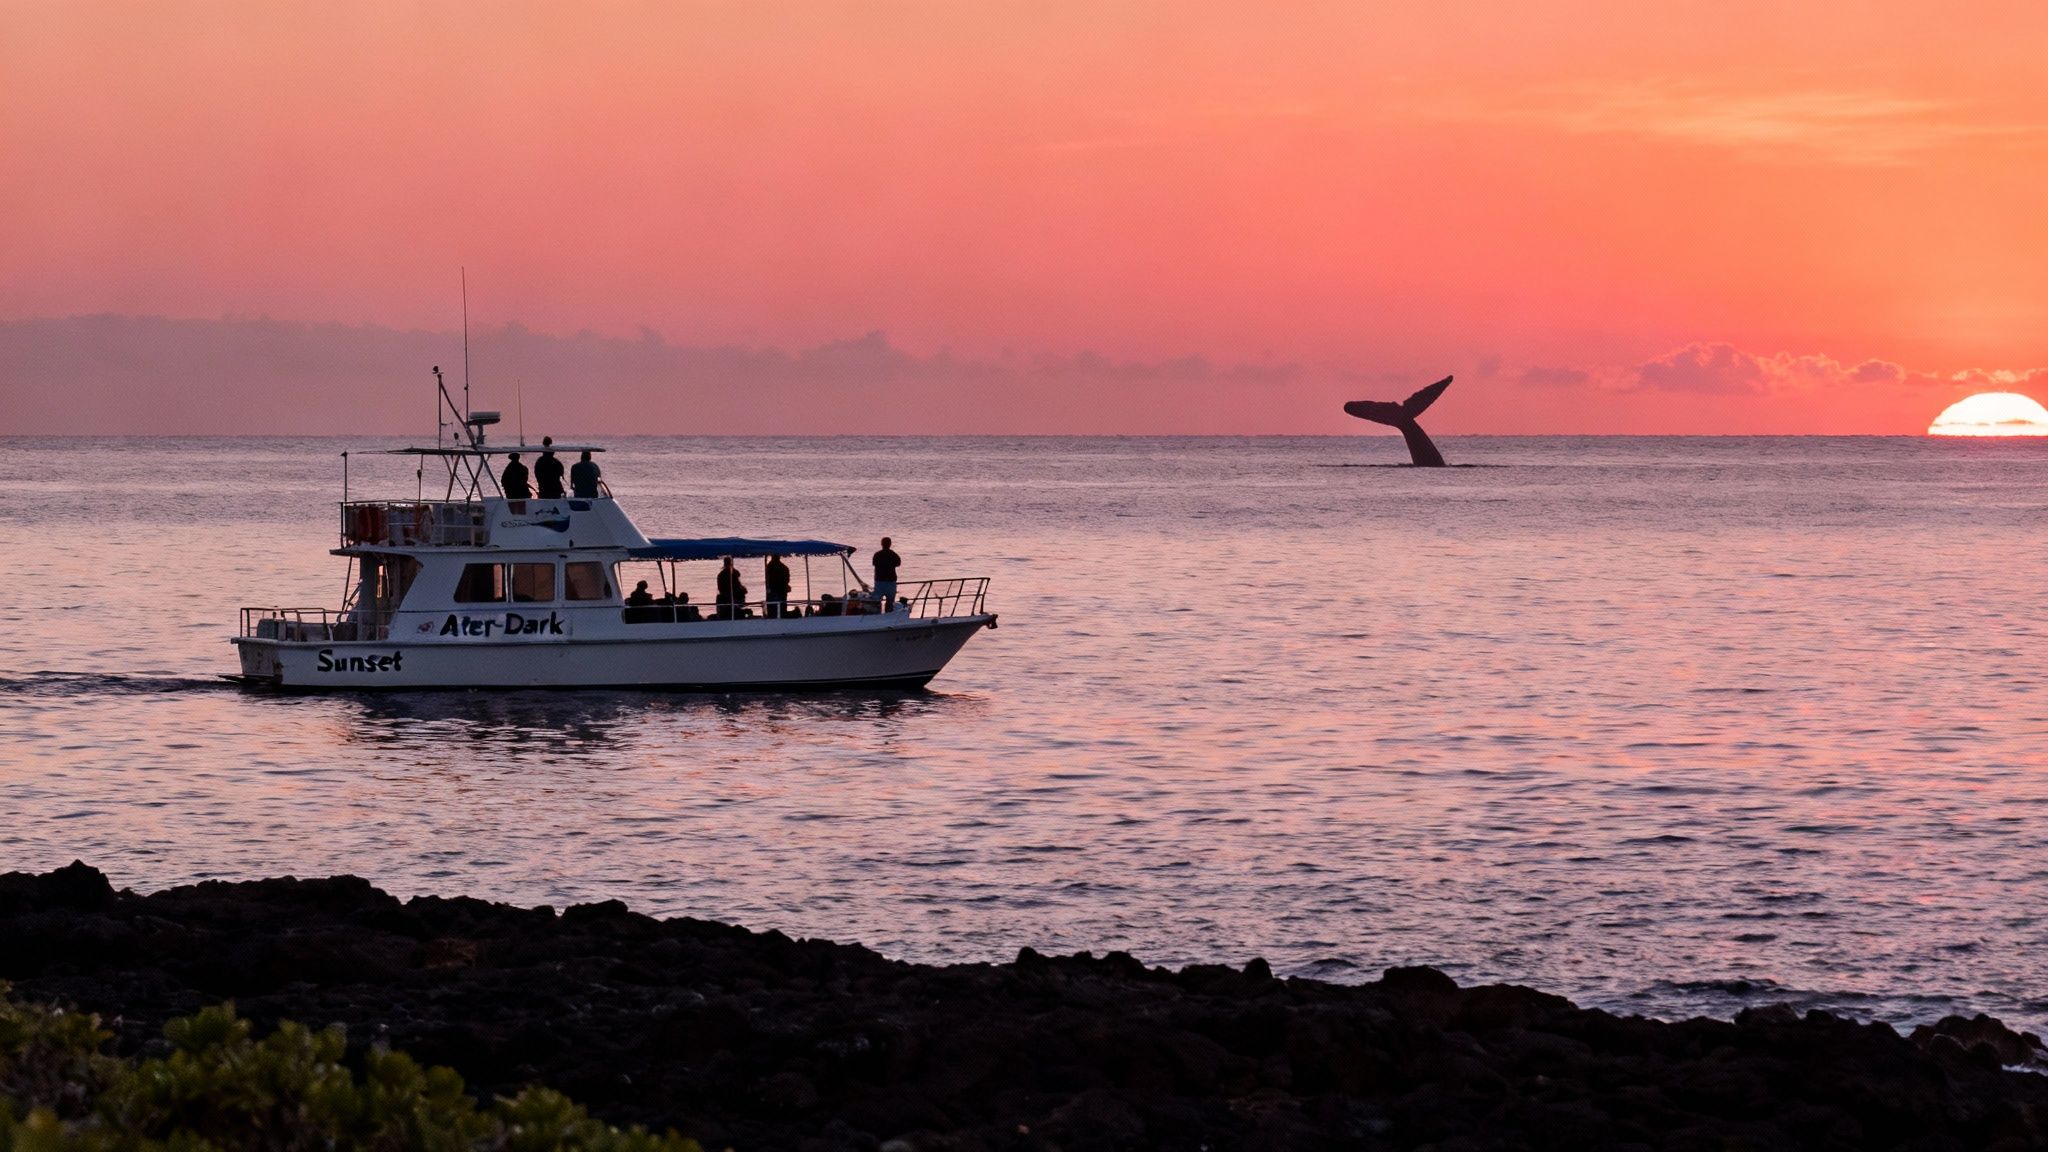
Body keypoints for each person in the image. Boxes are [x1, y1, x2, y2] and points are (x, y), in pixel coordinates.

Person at [871, 536, 902, 610]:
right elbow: (898, 563)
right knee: (890, 602)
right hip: (890, 581)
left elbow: (874, 564)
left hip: (879, 581)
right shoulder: (893, 555)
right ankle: (888, 616)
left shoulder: (877, 555)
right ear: (890, 544)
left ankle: (876, 616)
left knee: (876, 602)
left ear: (881, 544)